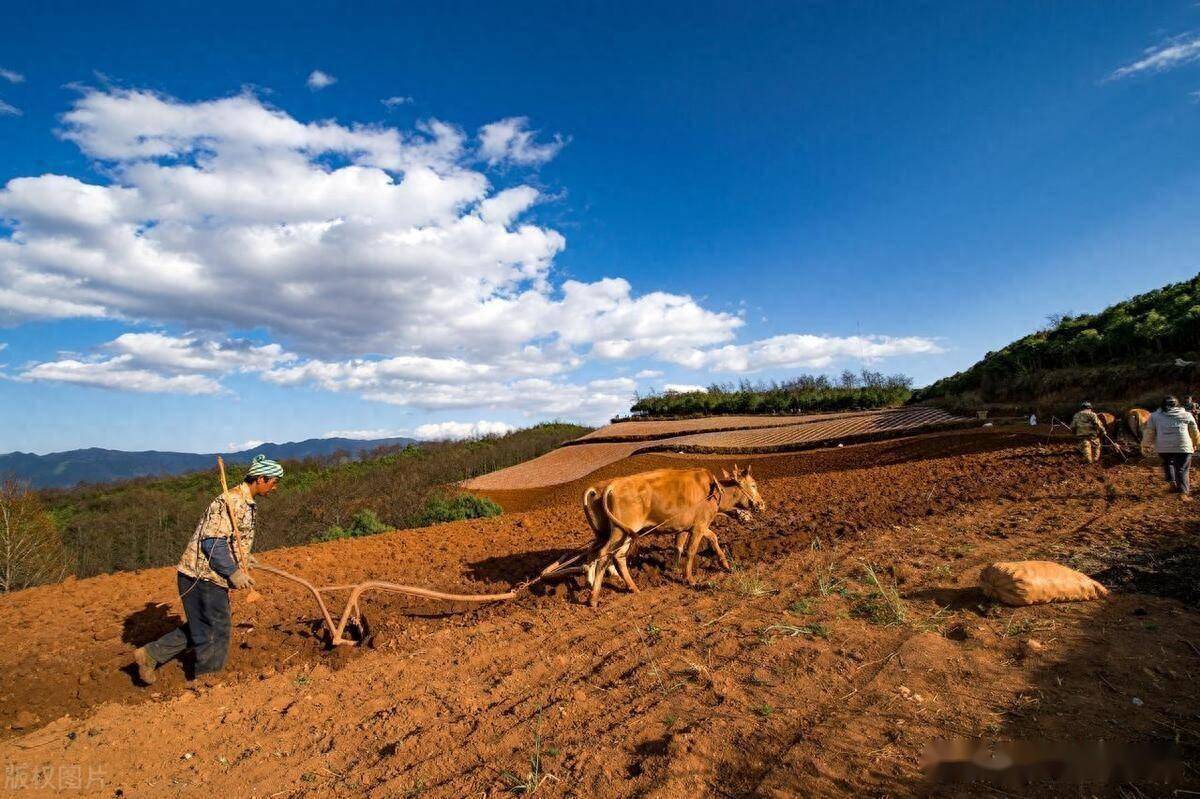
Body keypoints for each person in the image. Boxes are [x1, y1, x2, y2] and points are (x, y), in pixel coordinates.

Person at [132, 454, 283, 684]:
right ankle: (207, 682)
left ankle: (150, 655)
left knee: (202, 625)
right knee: (216, 629)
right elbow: (212, 542)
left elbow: (230, 539)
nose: (275, 487)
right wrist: (233, 572)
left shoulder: (244, 503)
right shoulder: (230, 501)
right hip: (201, 576)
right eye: (273, 481)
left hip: (204, 575)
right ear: (261, 479)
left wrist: (244, 559)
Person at [1141, 396, 1199, 500]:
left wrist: (1145, 445)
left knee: (1167, 463)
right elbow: (1194, 431)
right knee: (1182, 469)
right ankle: (1183, 493)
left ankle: (1172, 482)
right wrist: (1196, 443)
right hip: (1183, 447)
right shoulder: (1187, 415)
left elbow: (1149, 432)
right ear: (1177, 405)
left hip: (1163, 447)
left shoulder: (1154, 416)